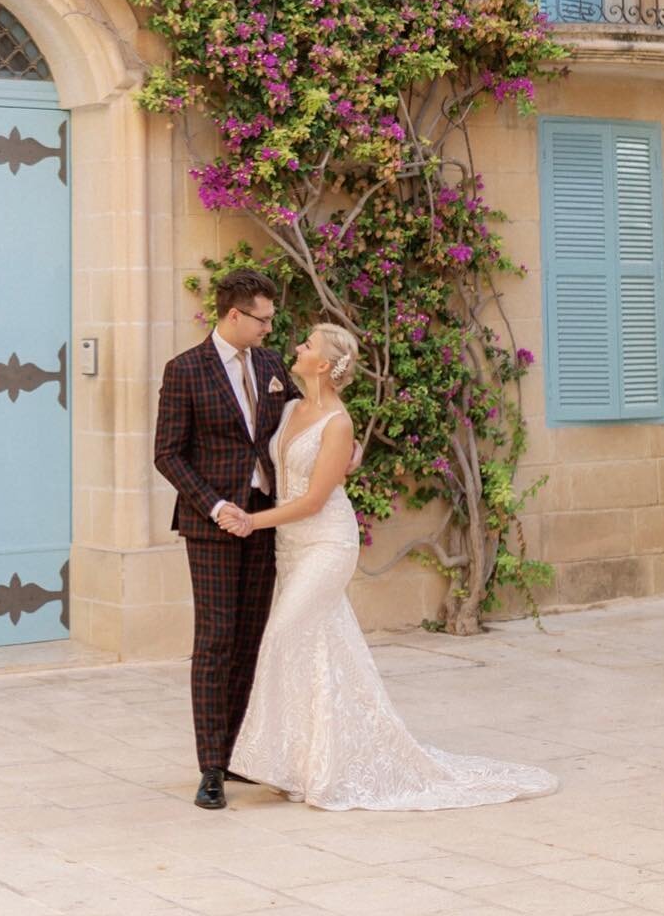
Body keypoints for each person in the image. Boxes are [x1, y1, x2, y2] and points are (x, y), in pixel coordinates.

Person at [222, 322, 558, 811]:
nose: (296, 346)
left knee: (281, 636)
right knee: (321, 648)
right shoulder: (292, 407)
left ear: (324, 365)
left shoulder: (338, 424)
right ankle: (312, 763)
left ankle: (281, 758)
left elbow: (315, 500)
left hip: (326, 543)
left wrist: (253, 521)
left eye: (307, 344)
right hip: (289, 546)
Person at [153, 268, 297, 810]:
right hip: (212, 525)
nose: (269, 328)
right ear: (233, 315)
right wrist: (216, 506)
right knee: (215, 641)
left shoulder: (272, 364)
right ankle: (210, 766)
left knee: (249, 639)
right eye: (262, 319)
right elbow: (168, 453)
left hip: (263, 518)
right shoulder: (185, 370)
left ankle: (238, 753)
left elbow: (302, 417)